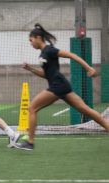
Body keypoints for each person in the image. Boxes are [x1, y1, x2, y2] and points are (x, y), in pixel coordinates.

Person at [15, 23, 109, 151]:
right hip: (62, 86)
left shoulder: (49, 50)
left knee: (32, 108)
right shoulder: (43, 53)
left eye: (31, 40)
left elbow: (72, 55)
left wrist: (89, 68)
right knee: (86, 110)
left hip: (57, 86)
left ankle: (30, 142)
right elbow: (46, 74)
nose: (30, 43)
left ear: (37, 37)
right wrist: (31, 69)